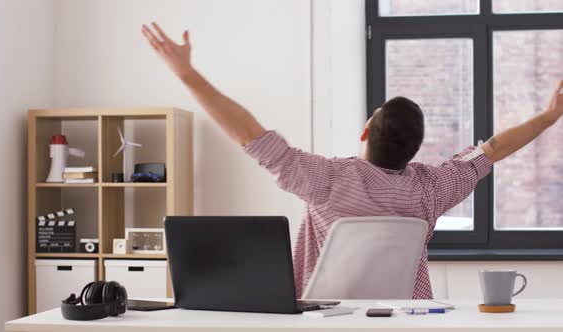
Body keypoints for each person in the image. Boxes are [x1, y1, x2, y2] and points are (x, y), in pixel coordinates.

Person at [141, 22, 563, 299]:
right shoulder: (432, 188)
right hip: (405, 323)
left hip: (326, 322)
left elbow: (251, 135)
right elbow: (493, 149)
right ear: (414, 150)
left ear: (366, 132)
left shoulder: (326, 180)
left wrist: (186, 75)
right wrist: (548, 116)